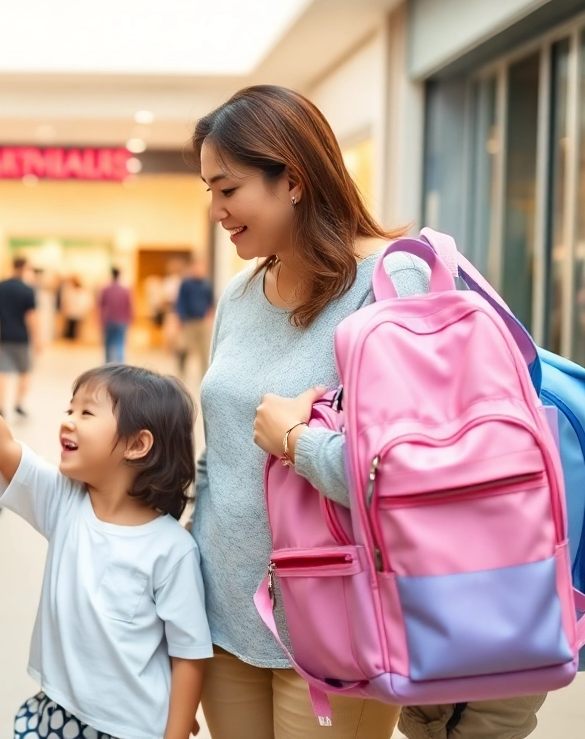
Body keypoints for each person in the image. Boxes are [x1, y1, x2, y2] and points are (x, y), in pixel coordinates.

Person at [191, 85, 434, 739]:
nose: (215, 209)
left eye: (228, 189)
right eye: (208, 191)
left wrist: (296, 443)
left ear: (292, 181)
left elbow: (409, 473)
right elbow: (217, 461)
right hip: (223, 618)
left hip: (340, 625)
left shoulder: (389, 286)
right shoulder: (240, 296)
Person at [0, 312, 212, 739]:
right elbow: (3, 446)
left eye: (87, 413)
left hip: (133, 728)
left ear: (139, 444)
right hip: (55, 714)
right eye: (70, 408)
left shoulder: (171, 549)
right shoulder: (66, 503)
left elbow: (189, 655)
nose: (67, 419)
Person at [0, 257, 40, 418]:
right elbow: (31, 317)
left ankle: (0, 406)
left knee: (1, 372)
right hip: (21, 338)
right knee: (25, 371)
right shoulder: (27, 290)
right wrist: (37, 338)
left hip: (2, 336)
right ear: (25, 268)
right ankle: (18, 404)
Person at [173, 258, 214, 378]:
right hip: (188, 321)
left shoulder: (206, 284)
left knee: (204, 350)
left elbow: (210, 301)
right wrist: (180, 319)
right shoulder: (186, 283)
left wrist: (209, 317)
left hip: (202, 321)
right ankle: (182, 372)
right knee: (183, 348)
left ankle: (205, 375)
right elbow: (180, 302)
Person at [98, 267, 134, 363]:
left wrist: (100, 321)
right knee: (120, 344)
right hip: (122, 320)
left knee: (108, 345)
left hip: (109, 320)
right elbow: (130, 306)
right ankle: (120, 366)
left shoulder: (106, 290)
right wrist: (131, 319)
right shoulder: (125, 290)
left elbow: (100, 306)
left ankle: (108, 366)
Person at [61, 276, 91, 341]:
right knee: (69, 329)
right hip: (71, 313)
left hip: (77, 312)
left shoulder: (81, 292)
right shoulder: (70, 291)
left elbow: (84, 303)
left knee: (74, 329)